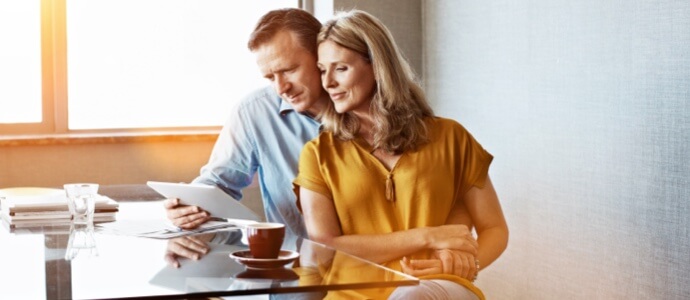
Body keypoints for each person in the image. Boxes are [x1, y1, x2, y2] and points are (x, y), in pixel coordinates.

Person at [293, 10, 509, 300]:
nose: (328, 82)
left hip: (434, 286)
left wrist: (468, 264)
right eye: (322, 70)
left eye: (340, 68)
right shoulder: (318, 154)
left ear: (377, 66)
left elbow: (494, 227)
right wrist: (427, 235)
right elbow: (326, 245)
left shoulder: (451, 137)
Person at [163, 8, 330, 242]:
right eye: (270, 77)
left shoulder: (364, 107)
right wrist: (186, 208)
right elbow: (218, 184)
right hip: (292, 266)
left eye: (289, 70)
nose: (281, 88)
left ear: (321, 55)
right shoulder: (254, 111)